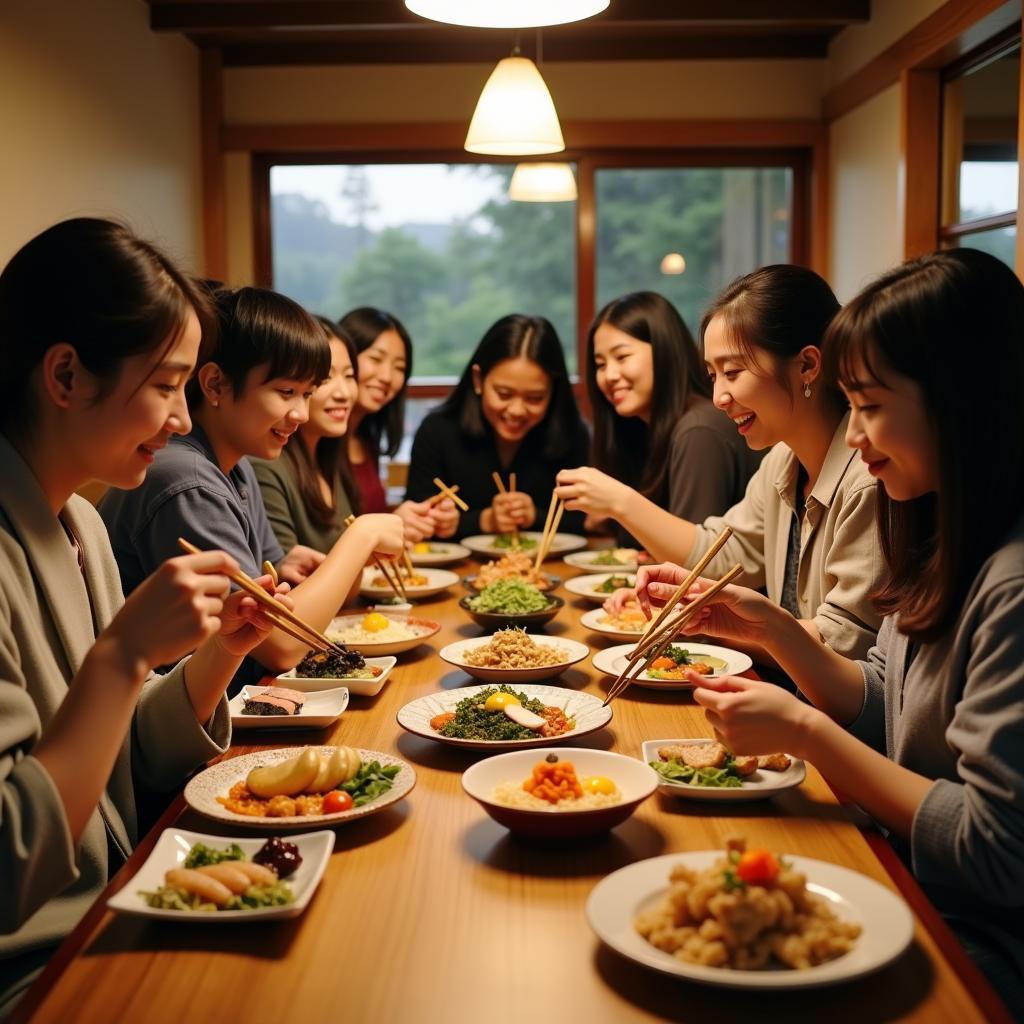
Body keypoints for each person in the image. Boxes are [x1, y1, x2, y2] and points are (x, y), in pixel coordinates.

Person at [632, 249, 1024, 1009]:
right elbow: (882, 700)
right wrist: (773, 630)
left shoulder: (1008, 582)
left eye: (871, 406)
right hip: (890, 862)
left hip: (972, 933)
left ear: (959, 400)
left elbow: (997, 854)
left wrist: (810, 736)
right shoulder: (938, 529)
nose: (856, 434)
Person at [0, 219, 287, 1012]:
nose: (183, 419)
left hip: (117, 900)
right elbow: (8, 867)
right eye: (165, 386)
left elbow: (126, 763)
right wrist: (124, 654)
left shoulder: (83, 522)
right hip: (36, 968)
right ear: (65, 375)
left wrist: (222, 651)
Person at [100, 287, 405, 689]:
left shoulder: (237, 465)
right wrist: (360, 536)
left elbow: (281, 598)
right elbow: (279, 642)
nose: (300, 413)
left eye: (307, 393)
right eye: (286, 392)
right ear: (214, 385)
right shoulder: (189, 480)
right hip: (181, 723)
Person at [579, 265, 883, 660]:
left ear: (807, 365)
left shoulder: (868, 477)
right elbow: (723, 552)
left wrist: (708, 619)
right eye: (713, 375)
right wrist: (682, 601)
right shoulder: (781, 461)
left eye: (733, 372)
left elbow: (846, 641)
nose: (719, 396)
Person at [559, 291, 762, 543]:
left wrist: (619, 501)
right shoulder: (639, 431)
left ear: (664, 350)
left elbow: (696, 562)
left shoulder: (699, 429)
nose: (609, 375)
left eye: (622, 357)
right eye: (600, 364)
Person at [405, 313, 589, 539]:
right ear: (478, 380)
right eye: (504, 394)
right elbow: (416, 519)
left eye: (535, 398)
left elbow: (588, 521)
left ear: (553, 391)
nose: (517, 410)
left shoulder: (572, 434)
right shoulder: (437, 431)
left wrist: (535, 516)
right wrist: (483, 520)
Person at [341, 307, 457, 541]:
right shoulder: (313, 441)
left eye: (399, 368)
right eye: (375, 359)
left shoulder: (365, 439)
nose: (387, 376)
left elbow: (366, 520)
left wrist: (421, 519)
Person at [252, 316, 359, 554]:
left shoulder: (326, 457)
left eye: (349, 376)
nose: (343, 393)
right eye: (326, 379)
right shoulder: (266, 465)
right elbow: (283, 577)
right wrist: (364, 539)